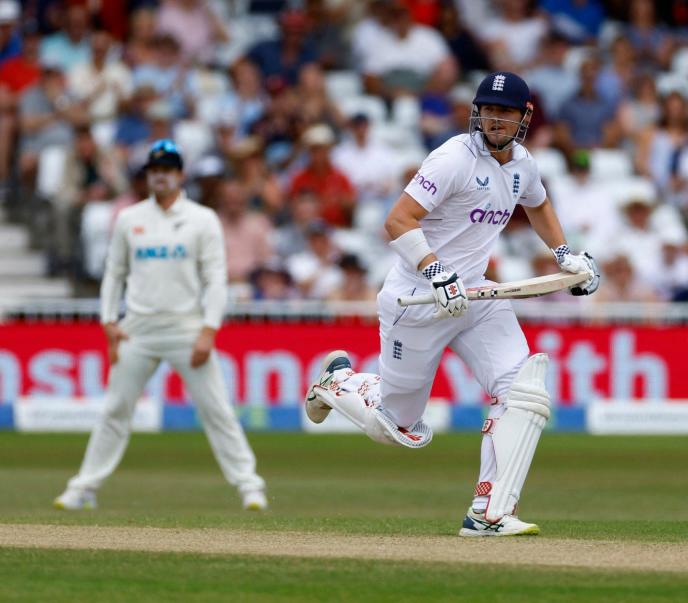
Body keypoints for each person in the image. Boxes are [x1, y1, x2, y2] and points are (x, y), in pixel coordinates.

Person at [303, 72, 599, 537]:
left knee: (523, 388)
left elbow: (538, 205)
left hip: (476, 294)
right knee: (398, 427)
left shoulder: (524, 164)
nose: (495, 119)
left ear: (525, 116)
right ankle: (338, 381)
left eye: (505, 111)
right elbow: (398, 220)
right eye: (488, 109)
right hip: (418, 298)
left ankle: (488, 512)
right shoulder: (452, 159)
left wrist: (565, 255)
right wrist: (436, 270)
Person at [54, 139, 268, 512]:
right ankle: (83, 488)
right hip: (137, 328)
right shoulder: (129, 219)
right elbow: (114, 273)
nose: (161, 176)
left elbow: (215, 279)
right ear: (148, 176)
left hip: (187, 328)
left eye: (168, 170)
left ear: (180, 174)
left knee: (216, 410)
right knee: (115, 411)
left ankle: (250, 488)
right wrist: (108, 319)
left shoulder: (202, 219)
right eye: (155, 170)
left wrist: (208, 330)